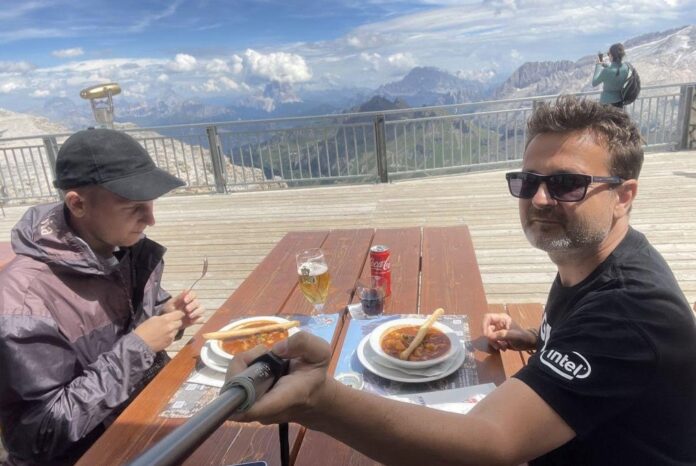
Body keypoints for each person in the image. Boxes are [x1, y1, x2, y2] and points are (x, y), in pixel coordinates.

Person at [227, 96, 696, 465]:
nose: (539, 199)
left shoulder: (630, 311)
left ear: (623, 196)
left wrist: (316, 400)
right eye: (527, 181)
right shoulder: (596, 265)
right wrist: (534, 339)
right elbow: (599, 353)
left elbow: (488, 444)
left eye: (567, 184)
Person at [0, 128, 205, 465]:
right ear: (77, 204)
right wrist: (139, 348)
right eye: (133, 207)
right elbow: (37, 435)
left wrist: (166, 314)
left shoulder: (121, 248)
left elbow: (126, 322)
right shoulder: (23, 303)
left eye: (150, 203)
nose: (151, 219)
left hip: (148, 423)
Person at [592, 42, 629, 108]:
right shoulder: (626, 67)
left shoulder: (606, 71)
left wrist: (598, 65)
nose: (608, 55)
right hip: (619, 102)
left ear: (612, 55)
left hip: (606, 104)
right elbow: (615, 70)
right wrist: (604, 64)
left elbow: (594, 83)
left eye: (608, 54)